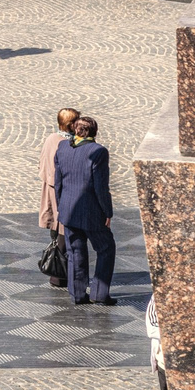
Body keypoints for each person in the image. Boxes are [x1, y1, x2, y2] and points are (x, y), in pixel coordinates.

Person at [56, 116, 117, 305]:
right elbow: (100, 187)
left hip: (68, 210)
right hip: (91, 212)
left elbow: (58, 182)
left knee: (75, 252)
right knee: (106, 248)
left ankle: (78, 294)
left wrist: (61, 206)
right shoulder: (98, 152)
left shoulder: (63, 148)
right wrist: (108, 212)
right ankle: (99, 293)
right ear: (93, 132)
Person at [40, 106, 80, 234]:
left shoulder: (51, 137)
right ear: (71, 125)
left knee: (56, 223)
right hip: (60, 187)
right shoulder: (67, 143)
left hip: (52, 183)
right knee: (63, 224)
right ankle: (60, 252)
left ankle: (58, 249)